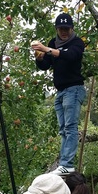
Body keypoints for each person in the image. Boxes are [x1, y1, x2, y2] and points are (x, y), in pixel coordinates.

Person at [31, 13, 86, 175]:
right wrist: (40, 57)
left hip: (74, 89)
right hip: (60, 92)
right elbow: (45, 65)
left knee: (70, 127)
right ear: (56, 29)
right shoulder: (53, 43)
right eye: (61, 29)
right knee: (63, 129)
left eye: (66, 29)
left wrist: (47, 49)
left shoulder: (77, 42)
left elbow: (71, 56)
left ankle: (67, 164)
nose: (64, 32)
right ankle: (64, 165)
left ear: (71, 29)